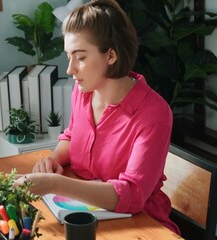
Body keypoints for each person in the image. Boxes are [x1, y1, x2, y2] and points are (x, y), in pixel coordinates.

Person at [13, 0, 180, 234]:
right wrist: (54, 159)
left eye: (80, 57)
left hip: (141, 226)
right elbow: (71, 136)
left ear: (111, 55)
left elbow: (132, 195)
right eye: (68, 56)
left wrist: (54, 183)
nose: (70, 69)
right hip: (84, 217)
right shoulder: (82, 93)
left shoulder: (153, 114)